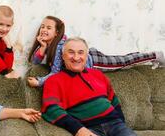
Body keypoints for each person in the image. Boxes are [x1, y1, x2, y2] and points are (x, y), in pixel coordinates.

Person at [41, 37, 157, 136]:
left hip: (116, 126)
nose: (76, 57)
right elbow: (50, 109)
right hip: (89, 129)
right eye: (71, 52)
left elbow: (113, 100)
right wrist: (78, 129)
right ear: (63, 56)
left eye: (80, 52)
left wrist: (120, 124)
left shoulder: (97, 74)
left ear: (86, 55)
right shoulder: (54, 80)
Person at [27, 16, 165, 87]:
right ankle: (153, 56)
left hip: (95, 61)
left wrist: (40, 82)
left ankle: (156, 55)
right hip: (90, 56)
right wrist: (43, 47)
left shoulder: (59, 47)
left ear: (57, 32)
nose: (44, 30)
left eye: (49, 28)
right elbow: (34, 62)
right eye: (43, 26)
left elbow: (55, 73)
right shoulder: (48, 46)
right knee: (124, 59)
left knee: (124, 61)